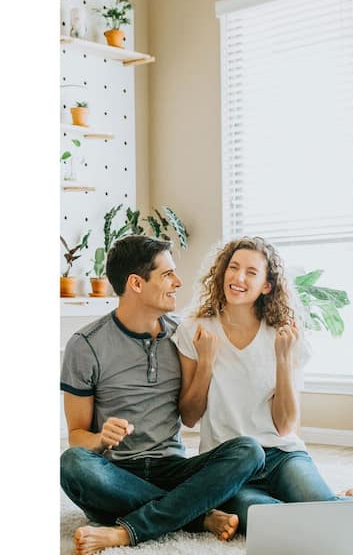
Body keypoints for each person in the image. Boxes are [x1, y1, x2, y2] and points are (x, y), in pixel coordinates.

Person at [60, 235, 265, 555]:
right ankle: (198, 515)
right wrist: (101, 438)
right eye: (167, 274)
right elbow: (76, 437)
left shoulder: (183, 334)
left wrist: (206, 364)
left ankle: (128, 531)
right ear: (136, 284)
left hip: (173, 469)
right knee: (72, 464)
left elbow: (191, 417)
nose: (178, 282)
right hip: (116, 476)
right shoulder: (85, 345)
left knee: (250, 451)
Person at [171, 236, 353, 534]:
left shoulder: (283, 335)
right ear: (221, 273)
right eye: (233, 267)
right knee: (270, 522)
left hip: (281, 455)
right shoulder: (195, 329)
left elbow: (285, 427)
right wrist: (206, 363)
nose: (238, 278)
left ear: (267, 286)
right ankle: (346, 502)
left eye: (251, 272)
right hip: (229, 462)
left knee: (329, 515)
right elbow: (190, 417)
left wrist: (284, 359)